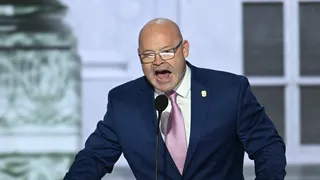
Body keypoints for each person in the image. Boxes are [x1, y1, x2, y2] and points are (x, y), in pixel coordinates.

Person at [64, 18, 286, 180]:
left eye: (167, 51)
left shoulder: (229, 91)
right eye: (148, 55)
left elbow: (268, 146)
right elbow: (94, 158)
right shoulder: (123, 102)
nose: (158, 62)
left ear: (185, 49)